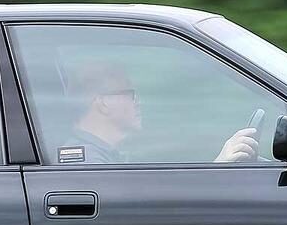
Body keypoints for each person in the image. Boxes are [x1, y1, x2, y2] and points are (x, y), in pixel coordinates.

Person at [60, 62, 260, 164]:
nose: (139, 102)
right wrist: (219, 168)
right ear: (103, 103)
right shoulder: (88, 164)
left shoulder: (107, 157)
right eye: (131, 94)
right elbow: (141, 207)